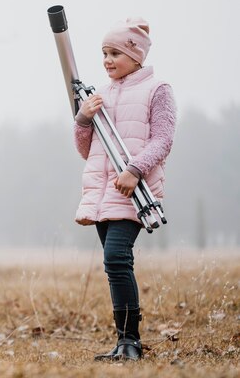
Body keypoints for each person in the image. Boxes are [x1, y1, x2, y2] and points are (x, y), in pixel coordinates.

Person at [73, 18, 176, 361]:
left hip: (135, 190)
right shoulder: (100, 94)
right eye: (104, 52)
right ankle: (124, 342)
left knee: (116, 258)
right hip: (102, 192)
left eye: (115, 52)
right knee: (116, 264)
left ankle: (130, 342)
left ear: (135, 56)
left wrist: (134, 170)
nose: (107, 59)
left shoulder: (157, 89)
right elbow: (87, 150)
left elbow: (163, 139)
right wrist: (82, 119)